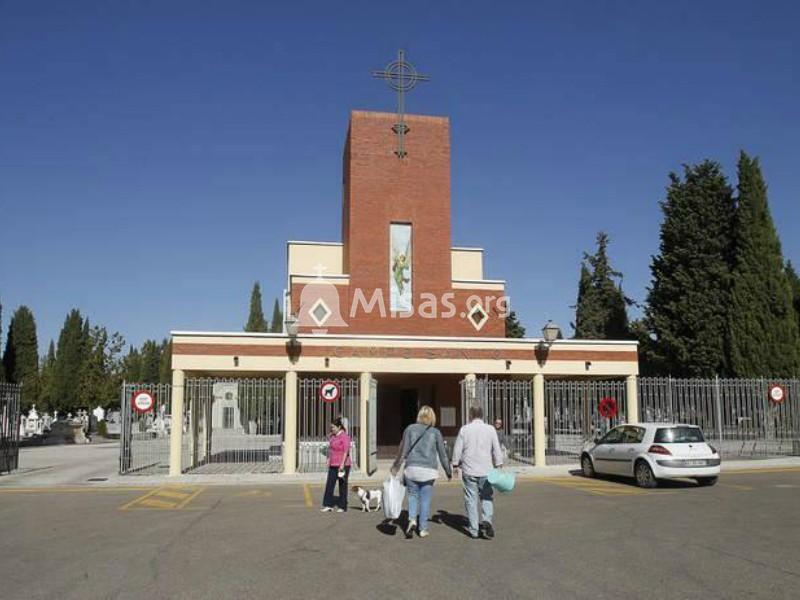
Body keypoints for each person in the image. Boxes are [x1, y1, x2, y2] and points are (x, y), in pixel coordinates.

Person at [391, 405, 452, 538]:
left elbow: (403, 450)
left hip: (411, 468)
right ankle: (423, 528)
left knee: (413, 495)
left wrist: (395, 467)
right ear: (432, 417)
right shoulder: (435, 432)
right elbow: (442, 454)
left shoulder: (410, 429)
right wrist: (448, 471)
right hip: (429, 470)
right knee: (425, 499)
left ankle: (412, 520)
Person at [452, 405, 503, 539]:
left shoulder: (465, 429)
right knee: (487, 496)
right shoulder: (490, 429)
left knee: (470, 498)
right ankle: (486, 520)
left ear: (470, 415)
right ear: (482, 415)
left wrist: (455, 464)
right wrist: (499, 464)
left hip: (469, 469)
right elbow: (496, 448)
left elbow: (458, 448)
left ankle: (474, 529)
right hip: (486, 469)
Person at [321, 418, 351, 513]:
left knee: (342, 485)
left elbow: (346, 451)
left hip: (343, 465)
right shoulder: (333, 436)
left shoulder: (345, 436)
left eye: (333, 427)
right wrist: (328, 459)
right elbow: (331, 449)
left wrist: (342, 464)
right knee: (330, 484)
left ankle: (342, 506)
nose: (332, 429)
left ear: (339, 427)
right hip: (333, 464)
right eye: (331, 427)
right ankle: (328, 505)